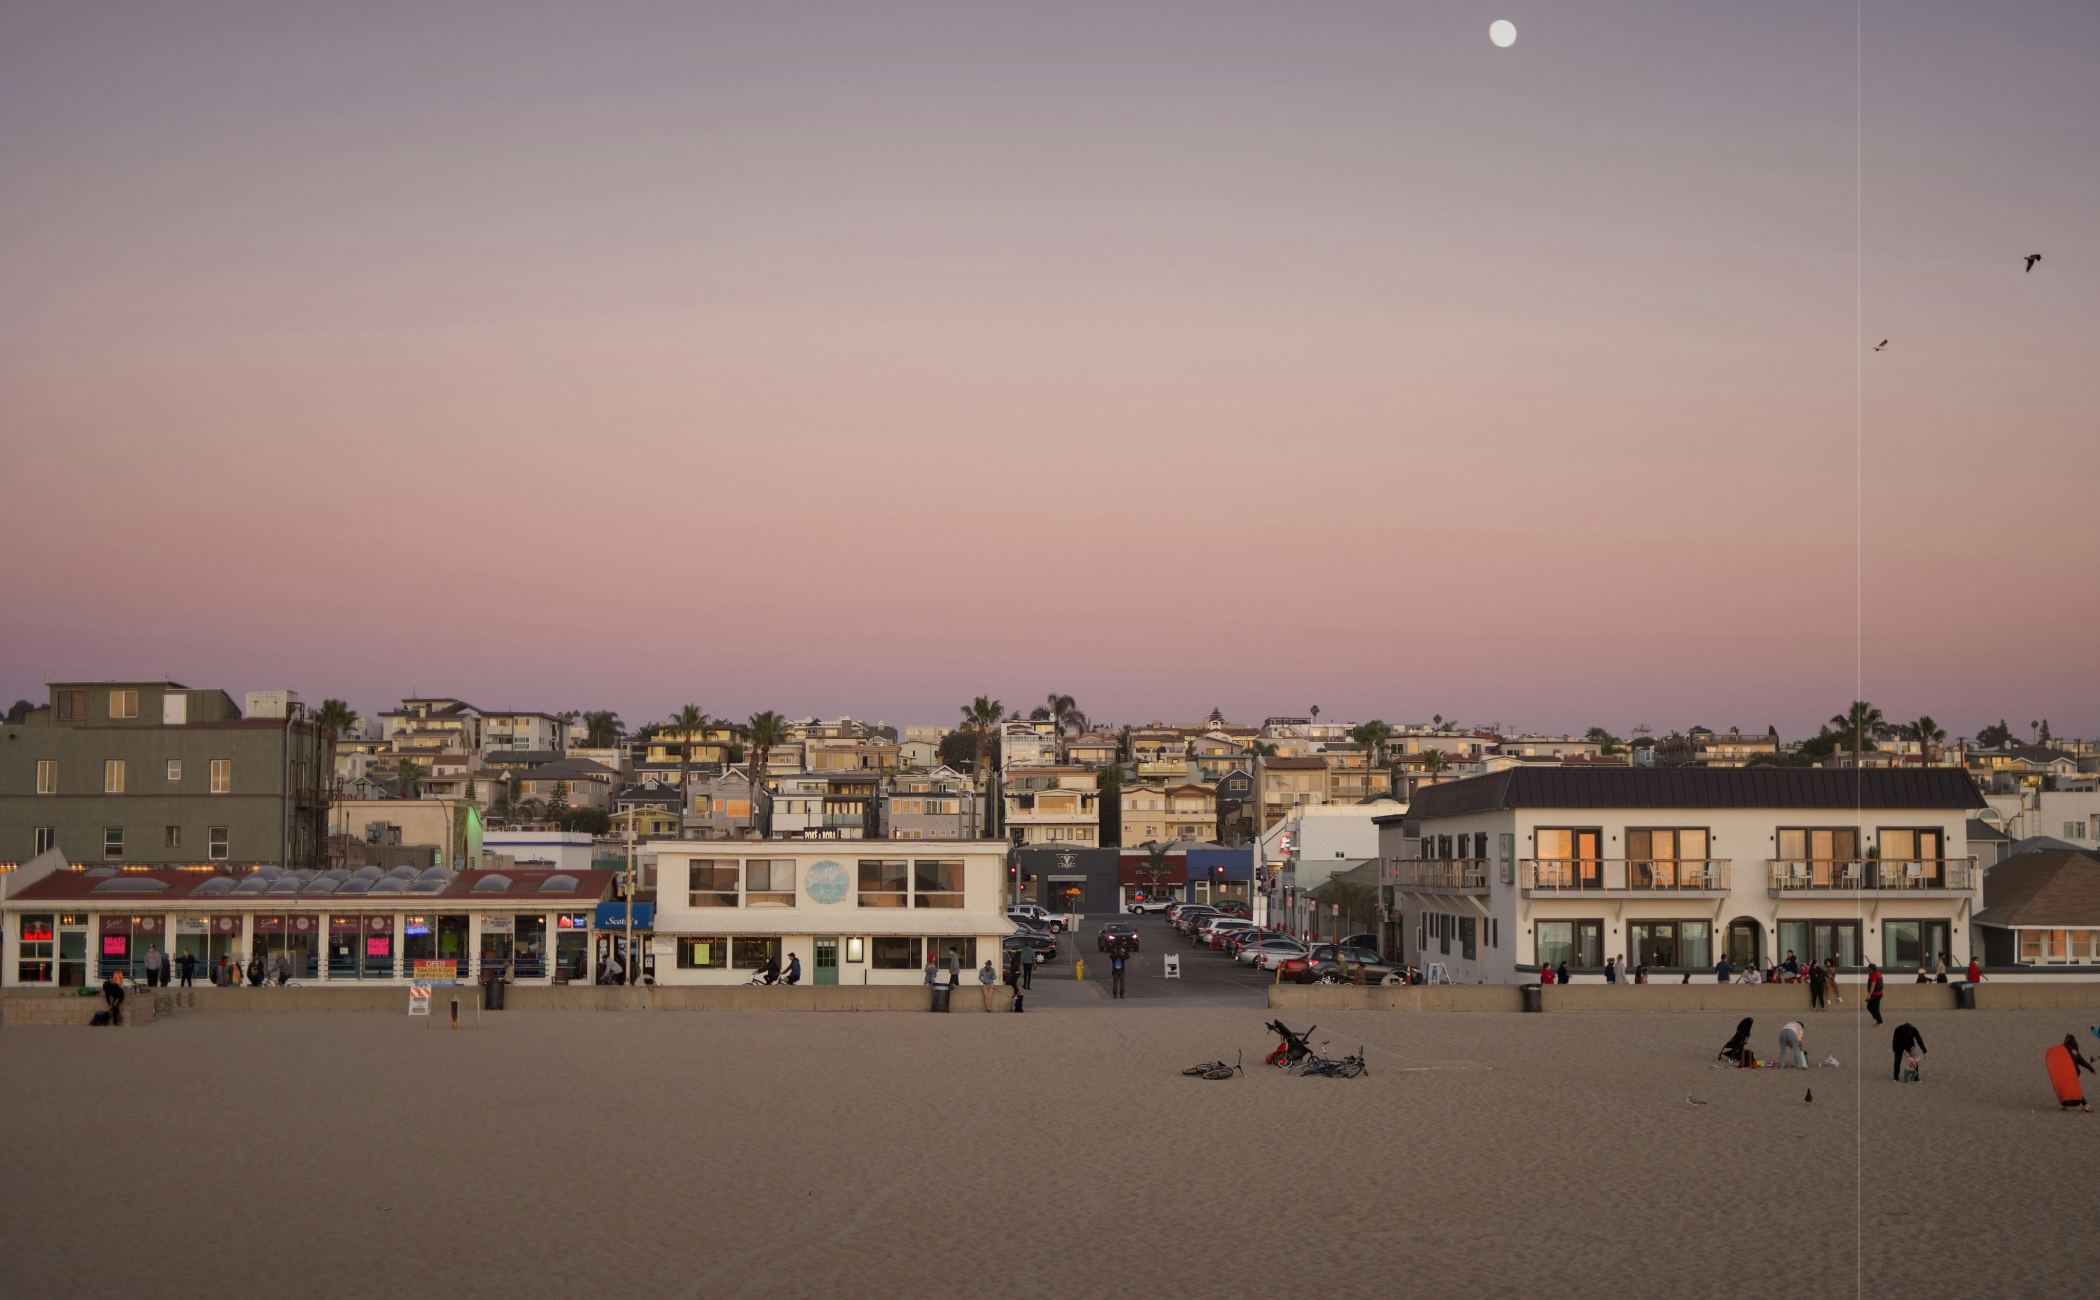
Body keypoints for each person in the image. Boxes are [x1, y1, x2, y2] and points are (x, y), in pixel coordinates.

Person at [2055, 1034, 2095, 1112]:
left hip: (2070, 1071)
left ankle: (2086, 1105)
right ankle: (2067, 1105)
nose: (2064, 1040)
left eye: (2065, 1038)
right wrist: (2091, 1069)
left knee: (2072, 1088)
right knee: (2069, 1087)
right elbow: (2082, 1061)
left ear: (2067, 1039)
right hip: (2076, 1071)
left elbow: (2057, 1053)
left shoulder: (2065, 1046)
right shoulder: (2075, 1051)